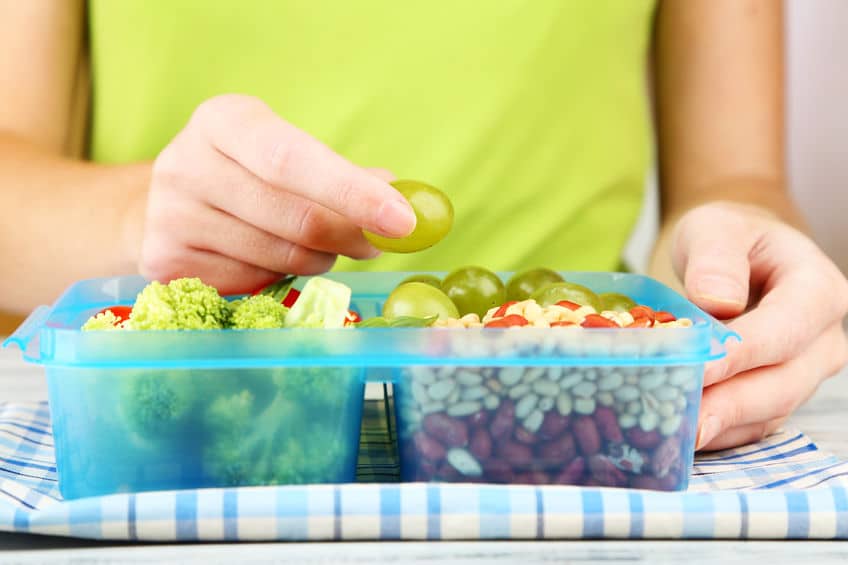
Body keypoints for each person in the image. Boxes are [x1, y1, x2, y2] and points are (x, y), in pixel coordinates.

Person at [0, 0, 846, 452]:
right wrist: (144, 212)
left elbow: (732, 176)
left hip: (564, 427)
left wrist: (738, 248)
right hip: (184, 414)